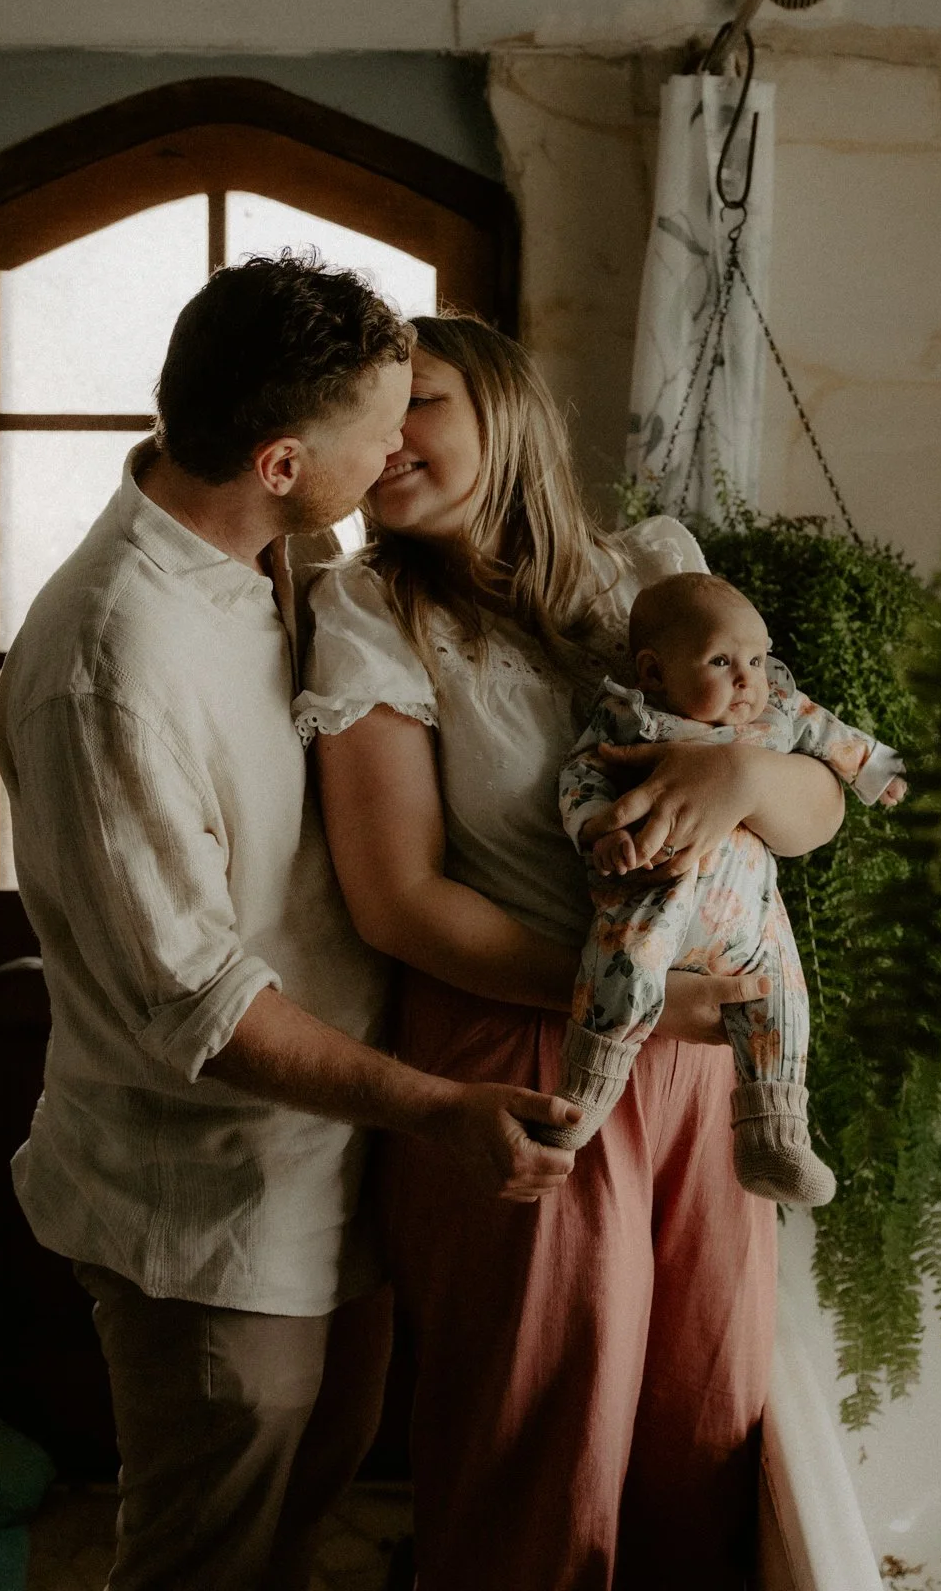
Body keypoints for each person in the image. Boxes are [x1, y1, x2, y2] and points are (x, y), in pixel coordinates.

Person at [0, 261, 578, 1591]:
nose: (396, 450)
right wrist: (437, 1107)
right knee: (210, 1557)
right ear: (275, 457)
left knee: (307, 1507)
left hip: (338, 1168)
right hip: (210, 1210)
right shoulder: (109, 669)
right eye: (380, 425)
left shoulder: (282, 554)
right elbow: (200, 1006)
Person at [305, 314, 847, 1591]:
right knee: (541, 1439)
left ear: (503, 406)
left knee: (702, 1419)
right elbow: (398, 899)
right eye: (370, 414)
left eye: (420, 400)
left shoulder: (653, 571)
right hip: (522, 1048)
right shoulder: (369, 610)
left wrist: (742, 770)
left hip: (710, 1058)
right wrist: (637, 1001)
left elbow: (816, 810)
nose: (389, 438)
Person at [544, 570, 906, 1205]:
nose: (748, 678)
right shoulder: (633, 722)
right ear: (655, 672)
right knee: (619, 973)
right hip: (658, 902)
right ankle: (580, 1104)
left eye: (759, 659)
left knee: (783, 1003)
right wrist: (597, 830)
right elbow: (582, 775)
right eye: (722, 660)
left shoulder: (774, 713)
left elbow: (831, 733)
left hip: (755, 918)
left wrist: (879, 771)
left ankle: (776, 1136)